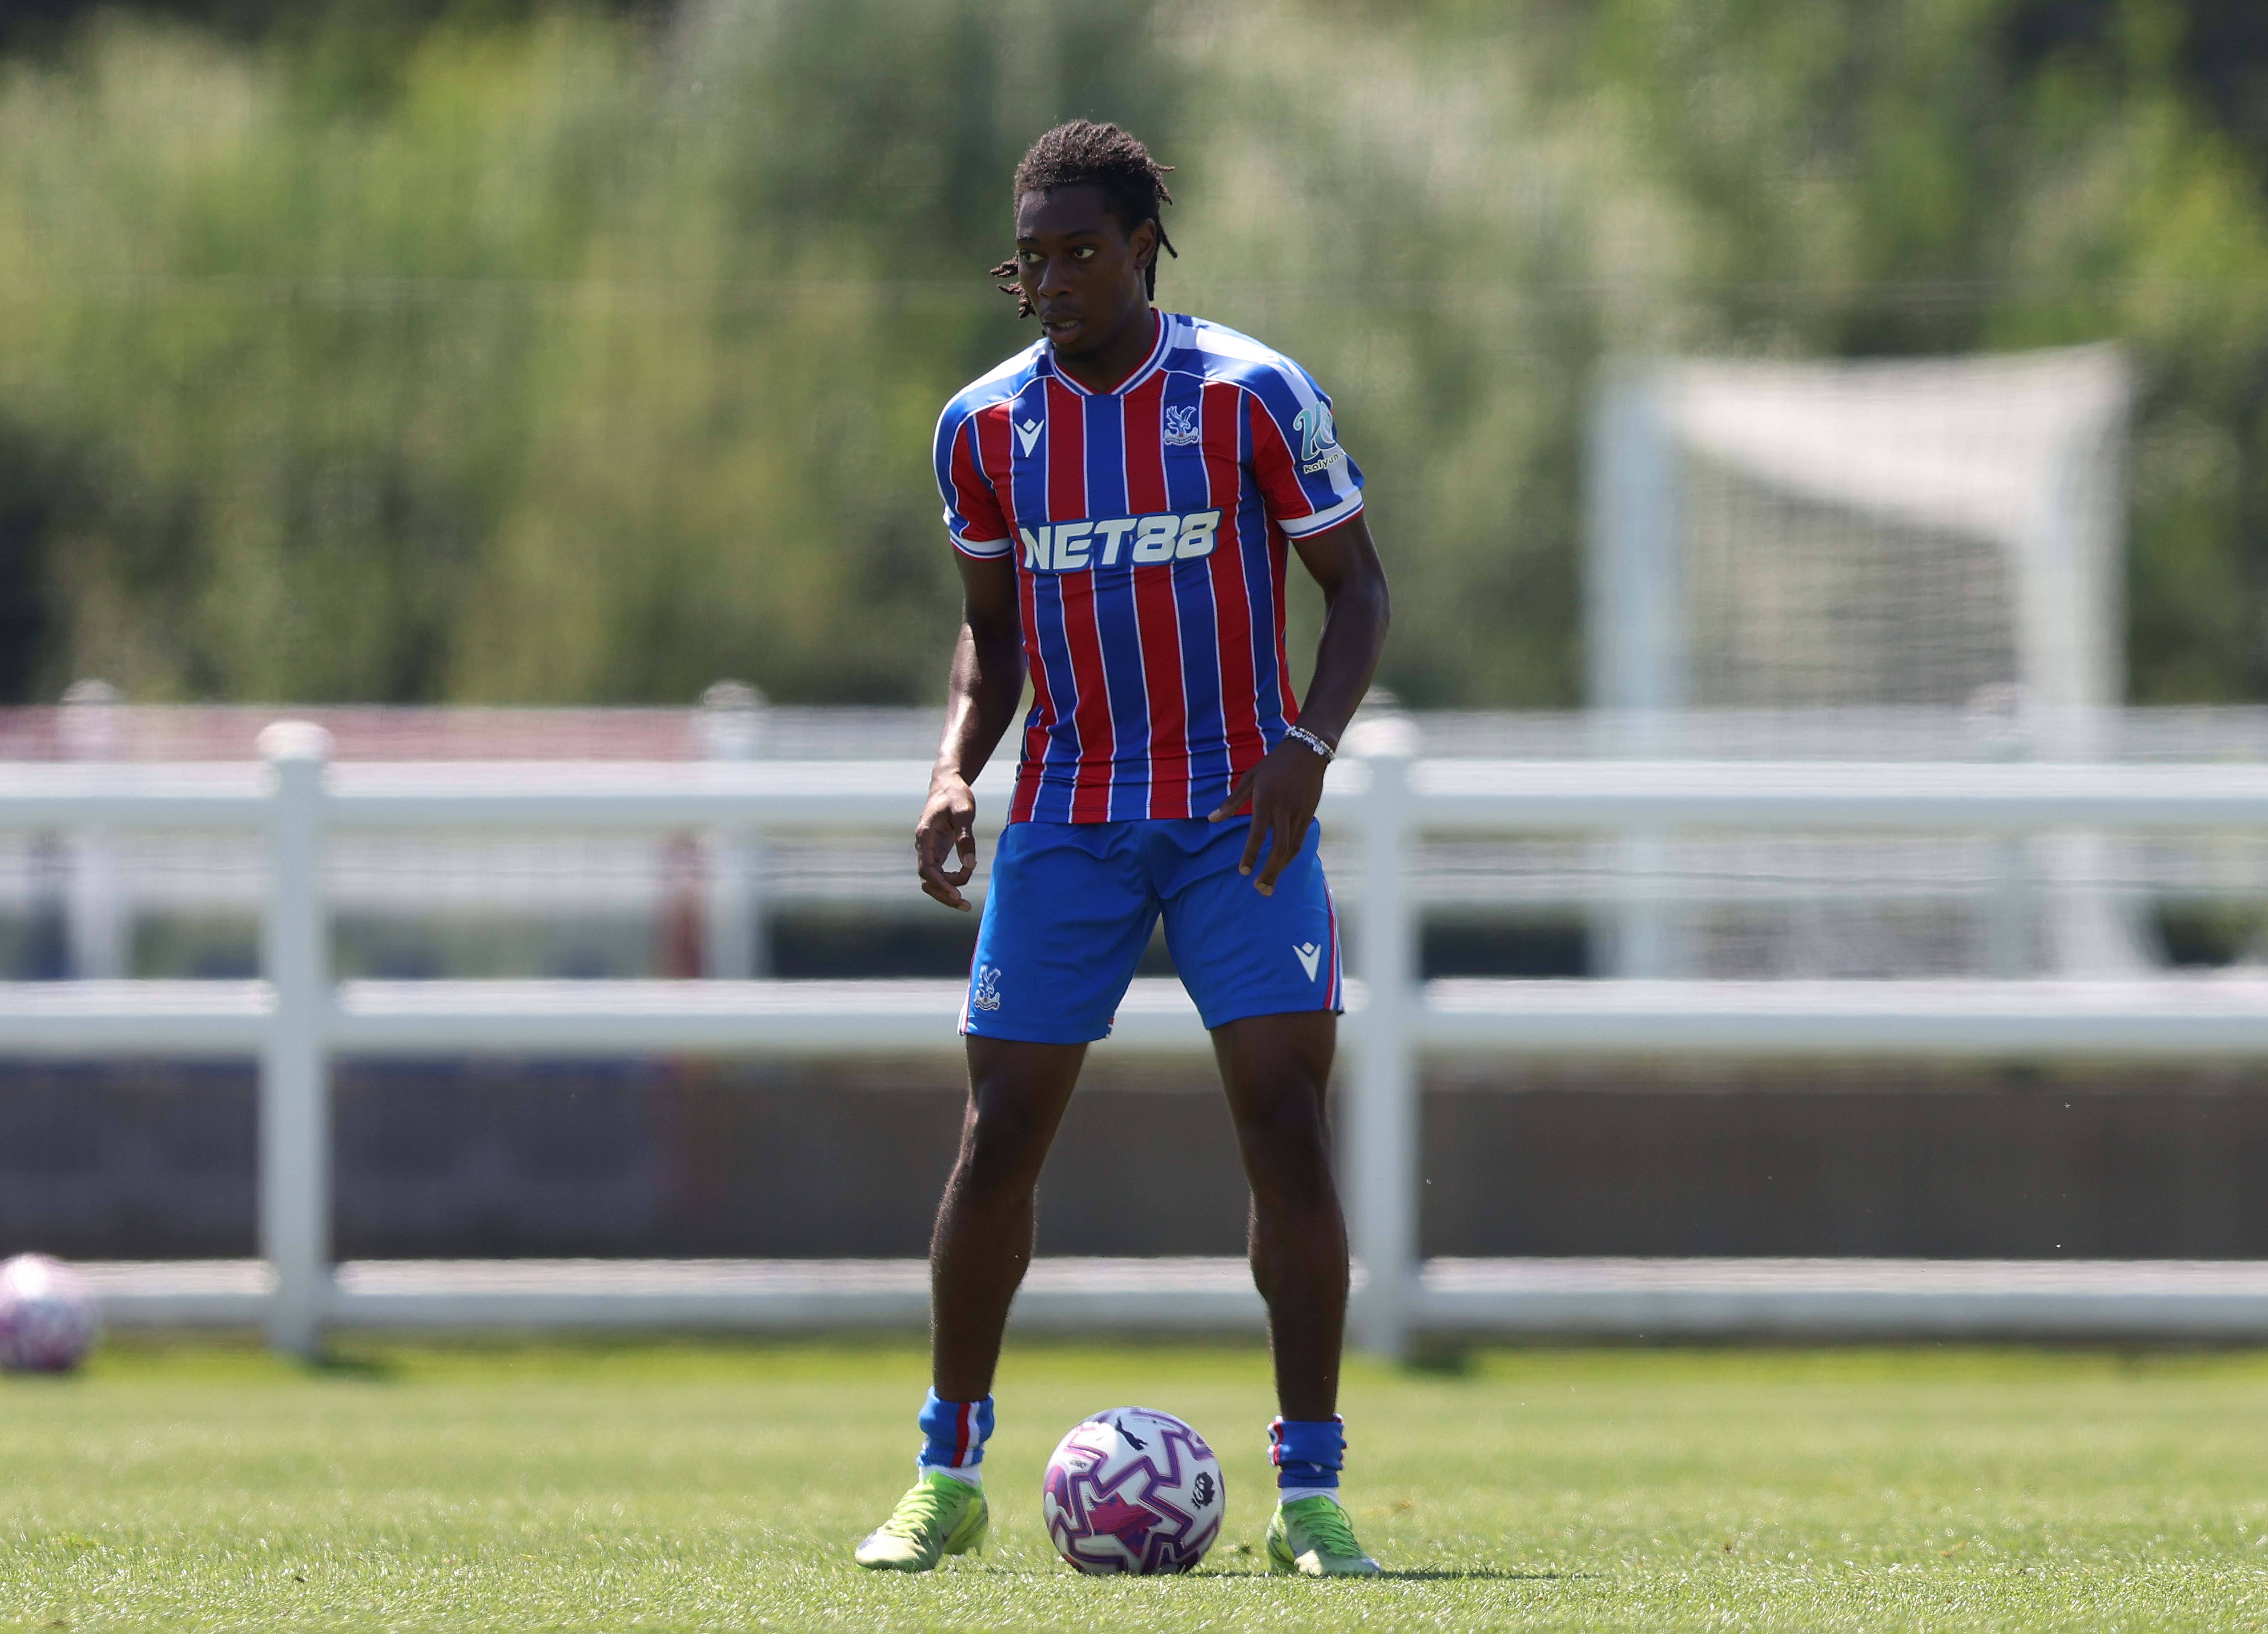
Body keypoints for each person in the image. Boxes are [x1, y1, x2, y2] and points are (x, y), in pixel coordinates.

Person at [855, 119, 1391, 1577]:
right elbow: (990, 640)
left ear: (1144, 247)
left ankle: (1312, 1493)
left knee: (1283, 1127)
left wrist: (1306, 749)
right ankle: (946, 1471)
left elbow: (1355, 593)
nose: (1054, 282)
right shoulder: (981, 429)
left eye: (1080, 252)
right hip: (1073, 822)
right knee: (1001, 1136)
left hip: (1238, 818)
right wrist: (953, 772)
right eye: (1030, 262)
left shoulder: (1249, 396)